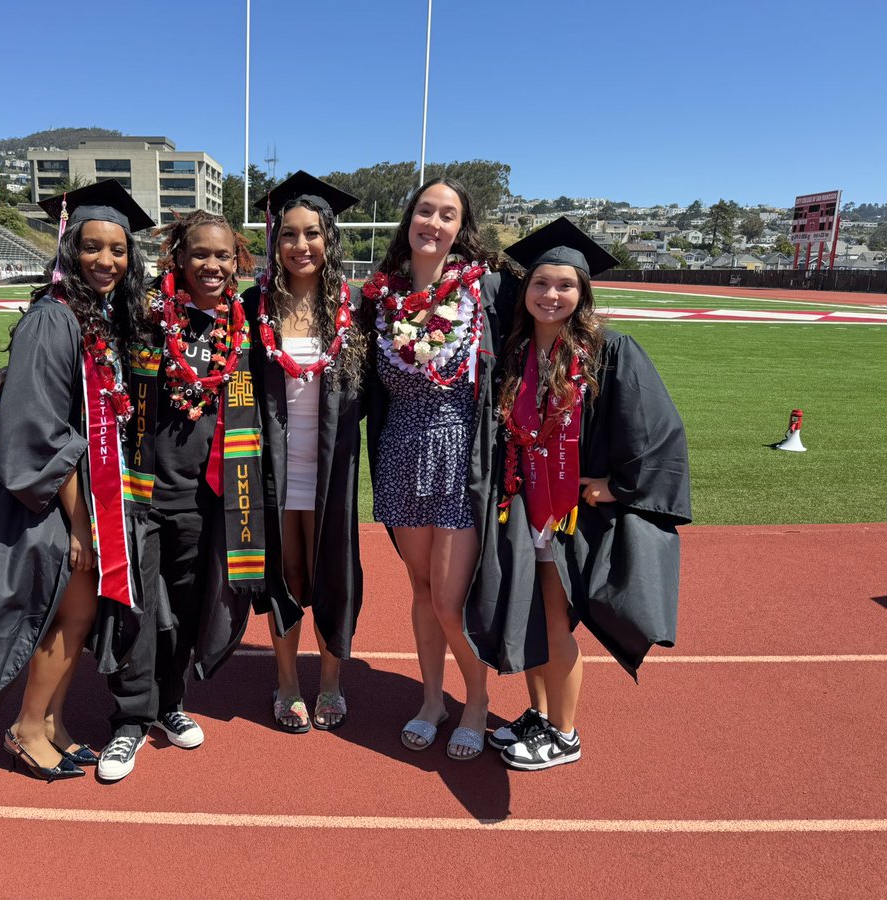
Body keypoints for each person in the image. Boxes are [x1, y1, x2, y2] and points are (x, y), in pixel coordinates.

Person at [0, 180, 152, 782]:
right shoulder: (53, 320)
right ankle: (27, 728)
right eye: (92, 247)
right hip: (50, 498)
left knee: (75, 613)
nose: (106, 260)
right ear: (67, 249)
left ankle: (54, 721)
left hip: (81, 492)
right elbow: (38, 429)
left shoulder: (97, 317)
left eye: (118, 249)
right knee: (66, 613)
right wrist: (81, 520)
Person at [469, 217, 691, 770]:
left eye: (565, 285)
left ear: (583, 292)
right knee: (537, 620)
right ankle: (540, 716)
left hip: (573, 516)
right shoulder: (516, 352)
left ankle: (564, 734)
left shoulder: (608, 352)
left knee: (554, 617)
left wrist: (616, 486)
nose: (551, 295)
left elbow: (660, 430)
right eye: (541, 283)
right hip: (523, 509)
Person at [91, 210, 263, 781]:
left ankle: (171, 702)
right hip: (142, 490)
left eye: (223, 256)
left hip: (205, 496)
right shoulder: (142, 314)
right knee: (138, 606)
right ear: (179, 258)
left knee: (188, 607)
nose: (212, 266)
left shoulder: (241, 325)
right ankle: (129, 721)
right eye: (200, 255)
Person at [361, 177, 510, 760]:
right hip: (399, 450)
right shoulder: (380, 298)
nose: (435, 221)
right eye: (426, 210)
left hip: (459, 455)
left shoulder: (484, 292)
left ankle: (475, 699)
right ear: (410, 218)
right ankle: (431, 700)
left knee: (450, 601)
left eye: (448, 214)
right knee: (420, 590)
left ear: (459, 227)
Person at [241, 173, 365, 732]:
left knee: (331, 572)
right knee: (285, 574)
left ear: (329, 238)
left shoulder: (355, 308)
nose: (300, 245)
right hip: (275, 465)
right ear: (275, 241)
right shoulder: (254, 306)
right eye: (288, 234)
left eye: (312, 233)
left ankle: (332, 682)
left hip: (332, 467)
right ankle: (287, 681)